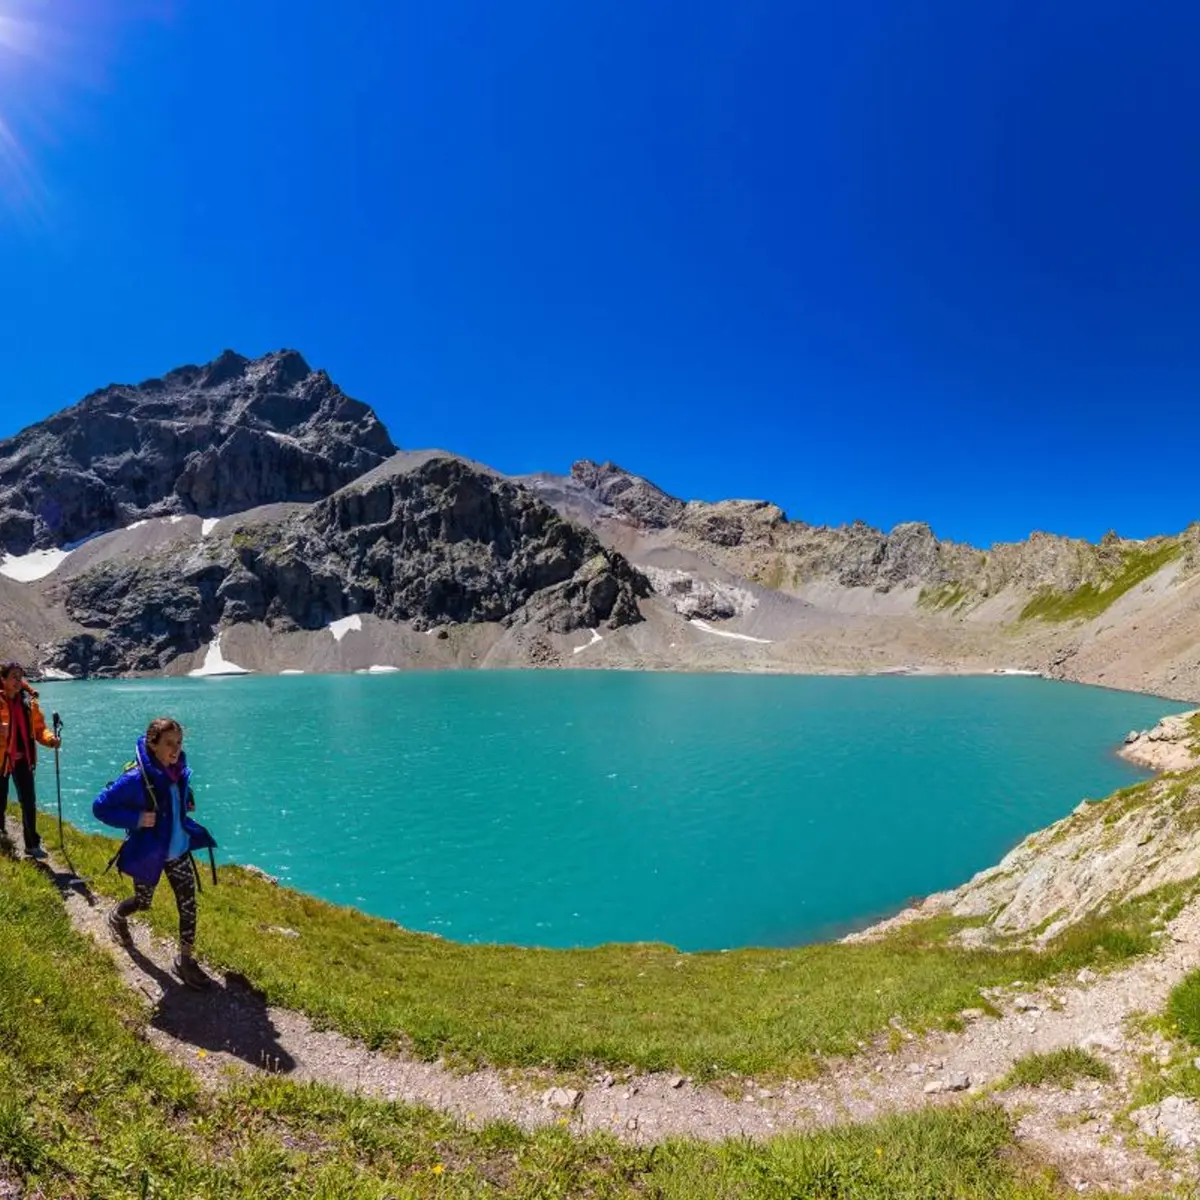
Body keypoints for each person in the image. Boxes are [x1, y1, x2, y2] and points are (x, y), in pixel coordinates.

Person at [92, 717, 217, 990]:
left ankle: (185, 961)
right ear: (152, 744)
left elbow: (177, 797)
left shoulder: (178, 770)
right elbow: (100, 808)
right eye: (169, 743)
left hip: (178, 851)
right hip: (150, 852)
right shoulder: (136, 778)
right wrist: (136, 819)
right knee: (143, 902)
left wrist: (187, 799)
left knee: (188, 904)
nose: (176, 749)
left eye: (179, 742)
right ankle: (117, 917)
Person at [0, 663, 61, 859]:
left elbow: (38, 728)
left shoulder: (29, 702)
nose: (18, 681)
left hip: (23, 759)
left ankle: (32, 844)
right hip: (2, 760)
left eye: (20, 676)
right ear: (3, 679)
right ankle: (2, 835)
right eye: (14, 677)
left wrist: (50, 739)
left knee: (28, 801)